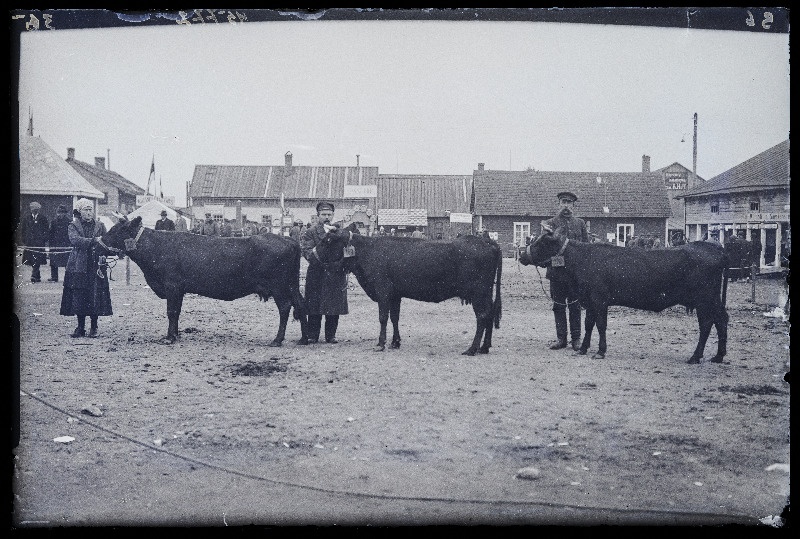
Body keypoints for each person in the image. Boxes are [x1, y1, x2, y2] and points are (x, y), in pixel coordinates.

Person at [541, 191, 588, 351]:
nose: (566, 205)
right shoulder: (550, 224)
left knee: (575, 306)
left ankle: (576, 339)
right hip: (557, 273)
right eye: (563, 202)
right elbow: (545, 249)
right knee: (558, 305)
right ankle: (561, 339)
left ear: (573, 205)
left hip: (575, 275)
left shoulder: (580, 224)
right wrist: (555, 262)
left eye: (569, 202)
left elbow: (586, 249)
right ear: (558, 204)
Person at [59, 198, 113, 338]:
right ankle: (80, 327)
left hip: (96, 265)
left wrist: (105, 253)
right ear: (79, 211)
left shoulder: (100, 225)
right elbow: (75, 240)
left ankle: (94, 327)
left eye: (90, 209)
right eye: (86, 209)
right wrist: (94, 240)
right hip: (79, 266)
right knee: (79, 296)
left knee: (95, 295)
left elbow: (106, 242)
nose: (89, 212)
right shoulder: (73, 225)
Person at [300, 201, 349, 344]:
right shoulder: (311, 232)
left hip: (336, 273)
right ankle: (313, 335)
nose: (326, 217)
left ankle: (331, 335)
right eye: (323, 214)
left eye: (329, 214)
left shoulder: (340, 232)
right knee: (314, 305)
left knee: (334, 306)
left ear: (333, 215)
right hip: (317, 273)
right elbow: (308, 253)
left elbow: (348, 252)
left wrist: (342, 264)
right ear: (318, 216)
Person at [20, 201, 50, 283]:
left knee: (37, 259)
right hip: (29, 243)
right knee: (33, 259)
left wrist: (43, 239)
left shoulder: (43, 218)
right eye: (33, 209)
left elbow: (46, 230)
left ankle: (33, 275)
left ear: (38, 210)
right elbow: (23, 230)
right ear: (31, 210)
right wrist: (24, 240)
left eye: (36, 209)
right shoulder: (27, 218)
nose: (34, 211)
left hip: (39, 243)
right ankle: (38, 276)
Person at [47, 204, 72, 282]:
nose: (59, 214)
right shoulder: (54, 222)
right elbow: (50, 233)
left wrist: (70, 244)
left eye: (61, 213)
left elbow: (71, 234)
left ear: (65, 213)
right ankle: (54, 277)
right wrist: (49, 245)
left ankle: (68, 278)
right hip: (55, 244)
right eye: (58, 212)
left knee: (67, 263)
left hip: (65, 245)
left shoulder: (69, 222)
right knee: (53, 262)